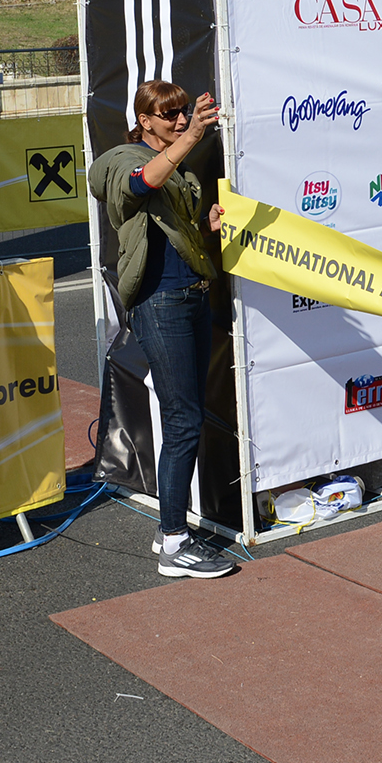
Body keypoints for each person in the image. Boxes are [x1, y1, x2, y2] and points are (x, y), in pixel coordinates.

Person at [88, 81, 235, 582]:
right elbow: (140, 183)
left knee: (186, 417)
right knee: (183, 420)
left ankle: (170, 529)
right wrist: (193, 134)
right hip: (161, 303)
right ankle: (174, 542)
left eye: (182, 113)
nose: (177, 120)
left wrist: (208, 223)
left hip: (192, 294)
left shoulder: (181, 167)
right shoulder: (118, 158)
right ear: (144, 119)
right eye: (167, 114)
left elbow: (179, 230)